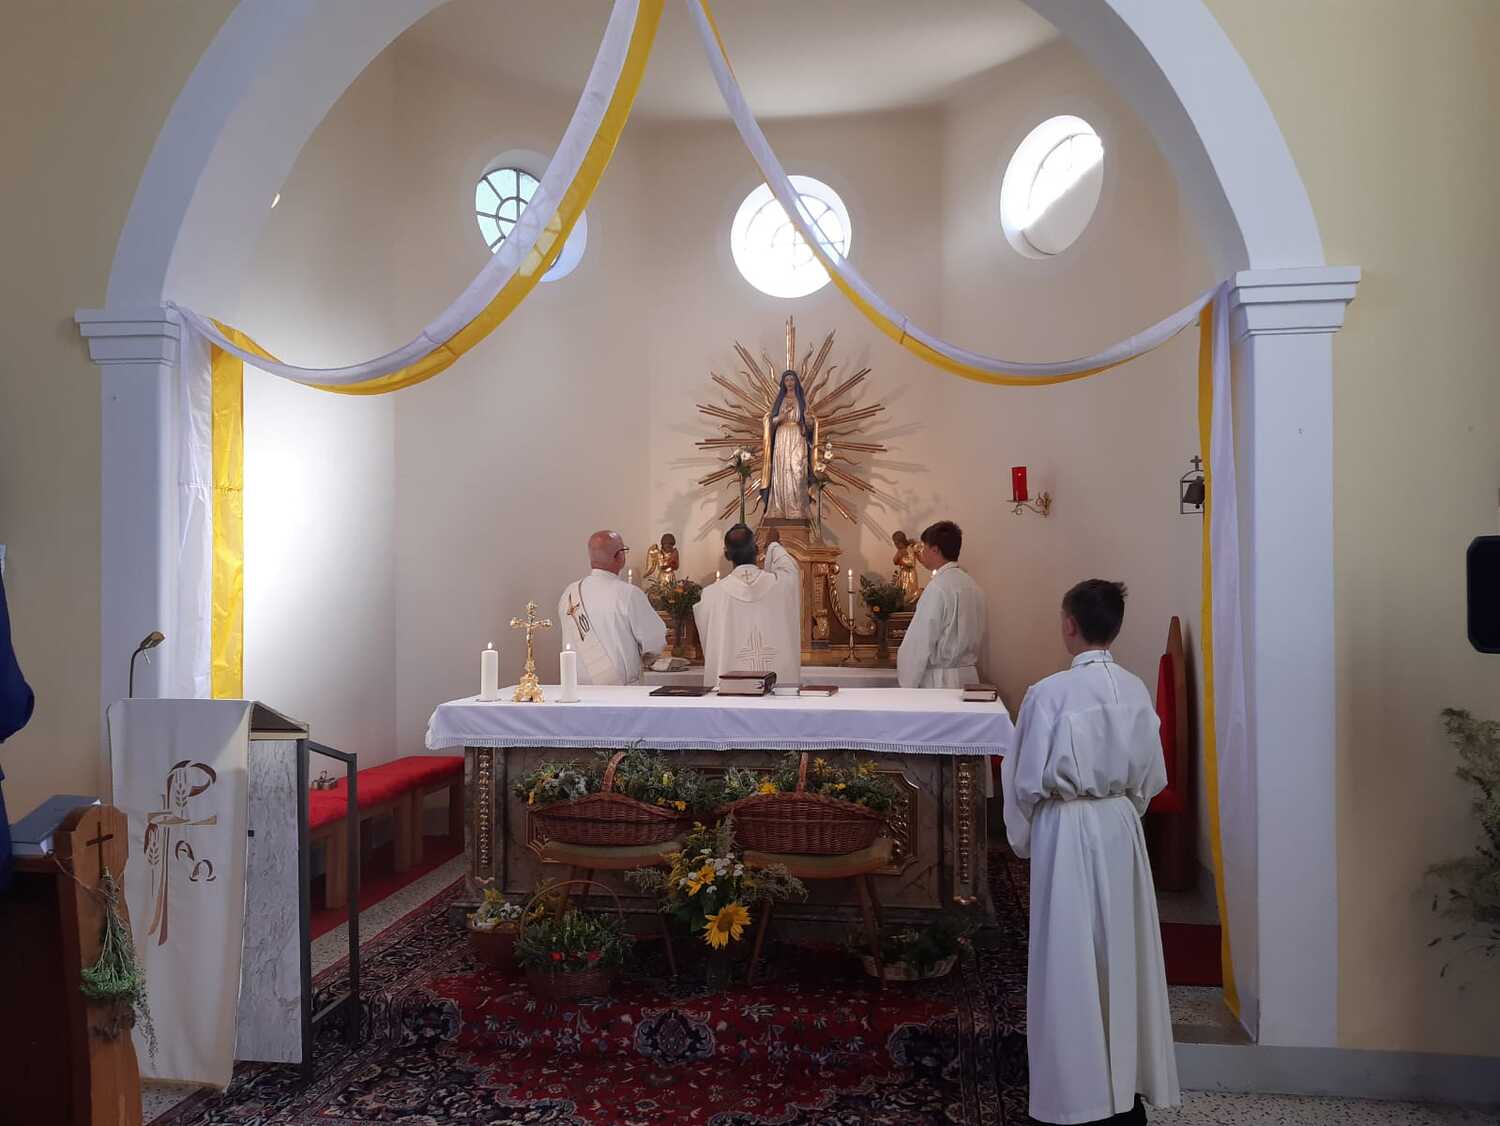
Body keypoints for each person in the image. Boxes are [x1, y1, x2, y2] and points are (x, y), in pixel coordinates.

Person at [1001, 580, 1179, 1125]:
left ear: (1069, 625)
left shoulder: (1049, 694)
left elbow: (1024, 781)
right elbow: (1152, 777)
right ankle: (1123, 1091)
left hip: (1068, 826)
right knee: (1120, 953)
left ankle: (1075, 1095)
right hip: (1119, 824)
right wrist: (1121, 810)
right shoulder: (1134, 690)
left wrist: (1025, 837)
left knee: (1070, 956)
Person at [693, 524, 801, 687]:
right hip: (777, 694)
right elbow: (790, 570)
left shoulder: (711, 595)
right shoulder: (779, 584)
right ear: (757, 550)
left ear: (727, 555)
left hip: (732, 693)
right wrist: (774, 546)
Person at [557, 530, 667, 686]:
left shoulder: (569, 594)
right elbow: (654, 641)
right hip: (621, 691)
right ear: (619, 556)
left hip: (576, 691)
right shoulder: (629, 594)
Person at [896, 520, 986, 688]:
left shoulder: (938, 588)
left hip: (941, 682)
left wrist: (907, 685)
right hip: (969, 679)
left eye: (924, 548)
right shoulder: (973, 586)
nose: (922, 553)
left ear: (935, 550)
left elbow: (919, 643)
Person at [762, 370, 816, 520]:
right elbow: (769, 422)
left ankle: (799, 510)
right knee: (782, 470)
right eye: (787, 380)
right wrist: (779, 417)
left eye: (792, 379)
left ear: (796, 381)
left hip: (798, 436)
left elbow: (810, 423)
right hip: (782, 435)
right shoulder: (779, 400)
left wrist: (807, 423)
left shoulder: (802, 400)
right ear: (783, 383)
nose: (790, 382)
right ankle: (779, 509)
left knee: (798, 470)